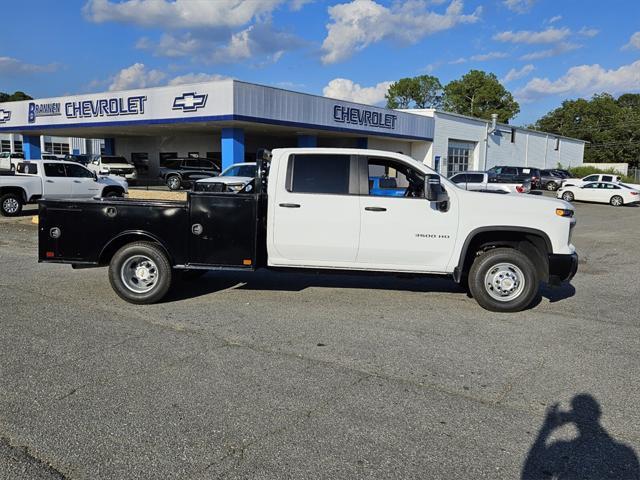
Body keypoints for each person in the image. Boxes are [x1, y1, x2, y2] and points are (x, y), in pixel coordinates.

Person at [522, 394, 639, 479]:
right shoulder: (625, 451)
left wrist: (546, 428)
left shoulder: (559, 446)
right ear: (598, 413)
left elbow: (529, 472)